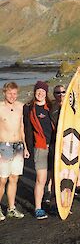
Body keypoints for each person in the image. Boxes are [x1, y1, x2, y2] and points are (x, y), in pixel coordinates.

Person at [0, 82, 30, 221]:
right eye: (9, 93)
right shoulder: (0, 107)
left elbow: (22, 127)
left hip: (18, 146)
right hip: (4, 146)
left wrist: (25, 146)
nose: (12, 96)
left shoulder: (20, 107)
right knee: (2, 180)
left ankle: (11, 208)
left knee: (14, 178)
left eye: (14, 93)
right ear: (4, 92)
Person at [23, 81, 53, 219]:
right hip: (40, 148)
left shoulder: (51, 107)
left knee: (54, 178)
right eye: (38, 91)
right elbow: (23, 127)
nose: (40, 93)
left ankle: (53, 201)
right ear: (35, 92)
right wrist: (25, 146)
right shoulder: (29, 108)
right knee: (41, 179)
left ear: (46, 93)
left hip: (54, 147)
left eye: (43, 91)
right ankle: (38, 208)